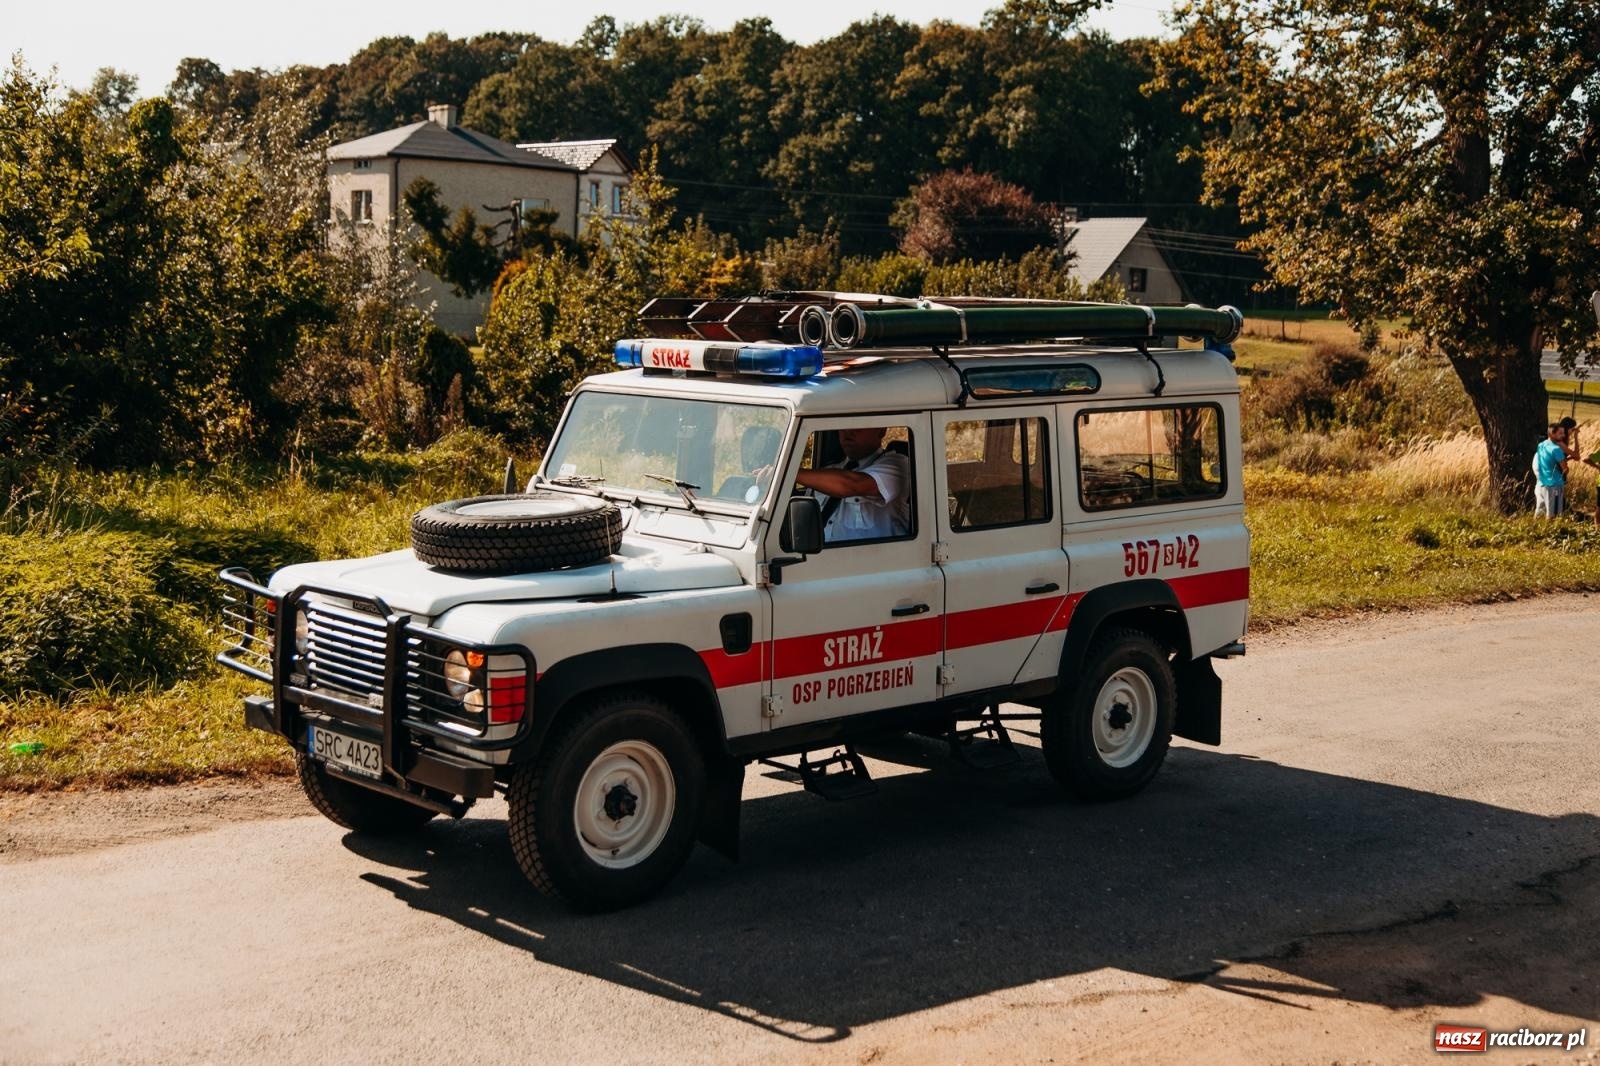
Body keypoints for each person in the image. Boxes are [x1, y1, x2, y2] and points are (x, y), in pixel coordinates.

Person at [794, 427, 912, 541]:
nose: (848, 432)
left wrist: (789, 472)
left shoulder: (897, 464)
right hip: (820, 557)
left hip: (875, 559)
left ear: (881, 431)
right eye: (843, 425)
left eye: (857, 425)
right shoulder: (828, 471)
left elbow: (851, 485)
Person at [1533, 422, 1571, 518]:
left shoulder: (1541, 445)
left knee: (1539, 513)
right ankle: (1550, 532)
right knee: (1553, 515)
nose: (1563, 435)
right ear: (1552, 433)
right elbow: (1565, 470)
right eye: (1560, 433)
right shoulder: (1556, 449)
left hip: (1541, 483)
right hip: (1555, 484)